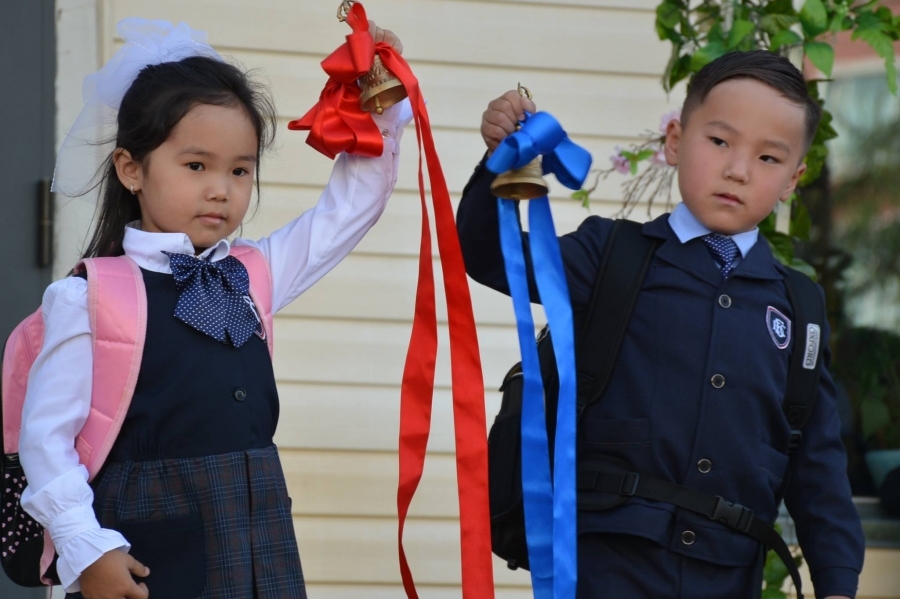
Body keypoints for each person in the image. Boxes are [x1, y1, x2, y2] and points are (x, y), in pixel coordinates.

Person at [18, 18, 409, 599]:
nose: (221, 189)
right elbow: (46, 440)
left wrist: (377, 101)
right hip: (143, 554)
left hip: (258, 541)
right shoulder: (89, 296)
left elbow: (345, 212)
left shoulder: (253, 274)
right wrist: (85, 545)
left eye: (240, 170)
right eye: (196, 166)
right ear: (131, 169)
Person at [457, 51, 865, 599]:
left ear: (794, 179)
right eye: (719, 141)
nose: (738, 170)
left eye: (768, 157)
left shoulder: (800, 306)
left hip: (728, 575)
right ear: (675, 140)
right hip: (606, 566)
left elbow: (818, 469)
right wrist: (499, 162)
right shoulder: (611, 255)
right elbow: (487, 255)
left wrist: (837, 584)